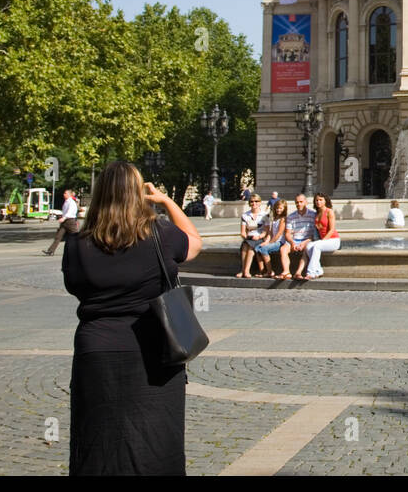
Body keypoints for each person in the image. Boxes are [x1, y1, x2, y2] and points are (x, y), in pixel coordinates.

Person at [61, 160, 203, 475]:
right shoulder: (160, 234)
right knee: (156, 437)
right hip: (155, 348)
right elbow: (194, 243)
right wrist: (166, 201)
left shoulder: (77, 245)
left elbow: (75, 288)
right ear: (138, 194)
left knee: (98, 436)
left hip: (96, 349)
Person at [300, 193, 341, 281]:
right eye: (317, 200)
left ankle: (311, 273)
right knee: (308, 246)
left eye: (321, 200)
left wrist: (323, 241)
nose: (318, 202)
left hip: (333, 240)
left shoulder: (329, 211)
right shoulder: (317, 214)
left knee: (316, 246)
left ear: (325, 201)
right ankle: (319, 271)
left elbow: (332, 230)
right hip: (323, 241)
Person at [277, 194, 317, 280]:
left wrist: (305, 242)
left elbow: (314, 234)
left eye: (301, 202)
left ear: (306, 202)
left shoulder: (313, 215)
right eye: (297, 202)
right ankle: (286, 271)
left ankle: (298, 272)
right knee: (283, 249)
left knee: (307, 249)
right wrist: (292, 243)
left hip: (307, 240)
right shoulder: (291, 216)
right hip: (295, 239)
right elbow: (287, 234)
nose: (299, 204)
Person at [236, 194, 270, 278]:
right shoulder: (245, 215)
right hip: (249, 238)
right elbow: (243, 232)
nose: (254, 203)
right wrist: (247, 237)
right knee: (245, 246)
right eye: (252, 201)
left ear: (260, 203)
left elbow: (266, 231)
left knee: (250, 248)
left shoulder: (265, 215)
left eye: (256, 201)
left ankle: (245, 271)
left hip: (259, 237)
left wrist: (259, 237)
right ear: (249, 203)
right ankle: (244, 270)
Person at [43, 188, 80, 256]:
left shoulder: (71, 202)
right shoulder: (66, 201)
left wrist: (64, 218)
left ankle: (81, 250)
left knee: (76, 236)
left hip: (70, 221)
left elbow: (71, 212)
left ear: (69, 194)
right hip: (65, 222)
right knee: (58, 236)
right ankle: (51, 251)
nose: (64, 194)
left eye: (65, 193)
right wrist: (62, 218)